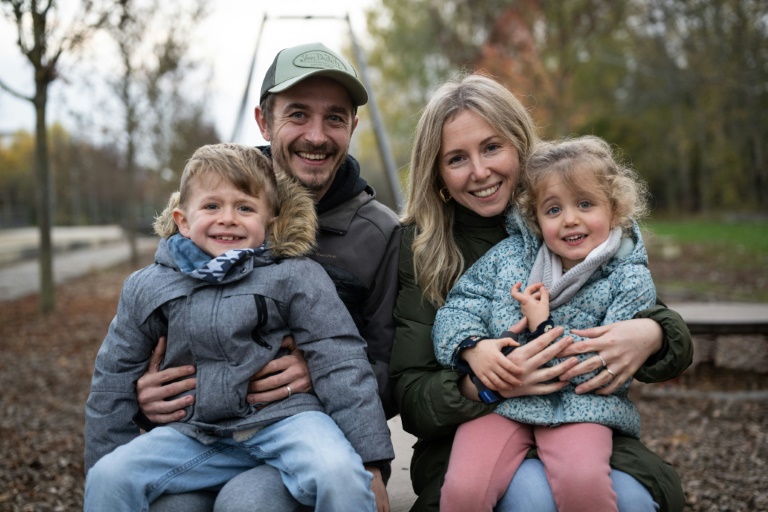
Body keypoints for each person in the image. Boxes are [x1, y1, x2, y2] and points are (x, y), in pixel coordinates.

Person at [390, 74, 693, 512]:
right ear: (436, 172)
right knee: (528, 498)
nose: (480, 171)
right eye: (457, 158)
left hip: (578, 412)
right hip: (477, 422)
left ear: (519, 144)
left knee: (623, 496)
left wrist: (653, 334)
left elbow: (647, 314)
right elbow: (412, 392)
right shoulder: (425, 245)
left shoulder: (588, 231)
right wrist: (481, 374)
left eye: (492, 147)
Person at [139, 43, 401, 512]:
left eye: (335, 118)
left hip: (309, 437)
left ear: (353, 127)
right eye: (297, 115)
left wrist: (320, 378)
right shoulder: (213, 208)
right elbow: (150, 321)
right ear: (264, 121)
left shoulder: (378, 233)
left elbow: (395, 366)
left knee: (248, 503)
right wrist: (142, 395)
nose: (316, 136)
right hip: (198, 433)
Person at [84, 144, 394, 511]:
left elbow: (340, 359)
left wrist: (370, 461)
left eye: (245, 208)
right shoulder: (149, 287)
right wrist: (110, 453)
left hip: (287, 423)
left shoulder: (295, 276)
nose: (228, 218)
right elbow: (112, 378)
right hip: (196, 434)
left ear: (270, 221)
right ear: (183, 219)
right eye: (212, 206)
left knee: (340, 472)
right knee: (108, 477)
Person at [434, 135, 657, 511]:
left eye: (585, 204)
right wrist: (473, 348)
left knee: (582, 484)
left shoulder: (630, 280)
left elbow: (599, 371)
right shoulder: (509, 258)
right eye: (553, 210)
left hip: (581, 407)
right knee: (463, 490)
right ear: (535, 218)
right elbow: (457, 308)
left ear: (615, 209)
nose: (570, 219)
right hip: (503, 405)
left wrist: (542, 326)